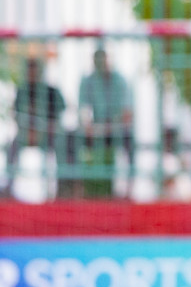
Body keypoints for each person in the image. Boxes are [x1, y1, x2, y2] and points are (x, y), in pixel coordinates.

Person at [78, 47, 135, 198]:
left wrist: (109, 127)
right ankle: (77, 189)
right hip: (96, 131)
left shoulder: (121, 81)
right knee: (72, 140)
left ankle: (129, 190)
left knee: (130, 140)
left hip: (117, 130)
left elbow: (127, 115)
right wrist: (88, 125)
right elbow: (83, 111)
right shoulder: (88, 81)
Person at [6, 57, 67, 196]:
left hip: (49, 134)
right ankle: (9, 188)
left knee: (62, 144)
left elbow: (60, 115)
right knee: (12, 147)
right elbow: (17, 116)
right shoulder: (22, 91)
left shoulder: (51, 91)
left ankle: (64, 188)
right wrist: (28, 132)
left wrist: (45, 130)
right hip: (26, 134)